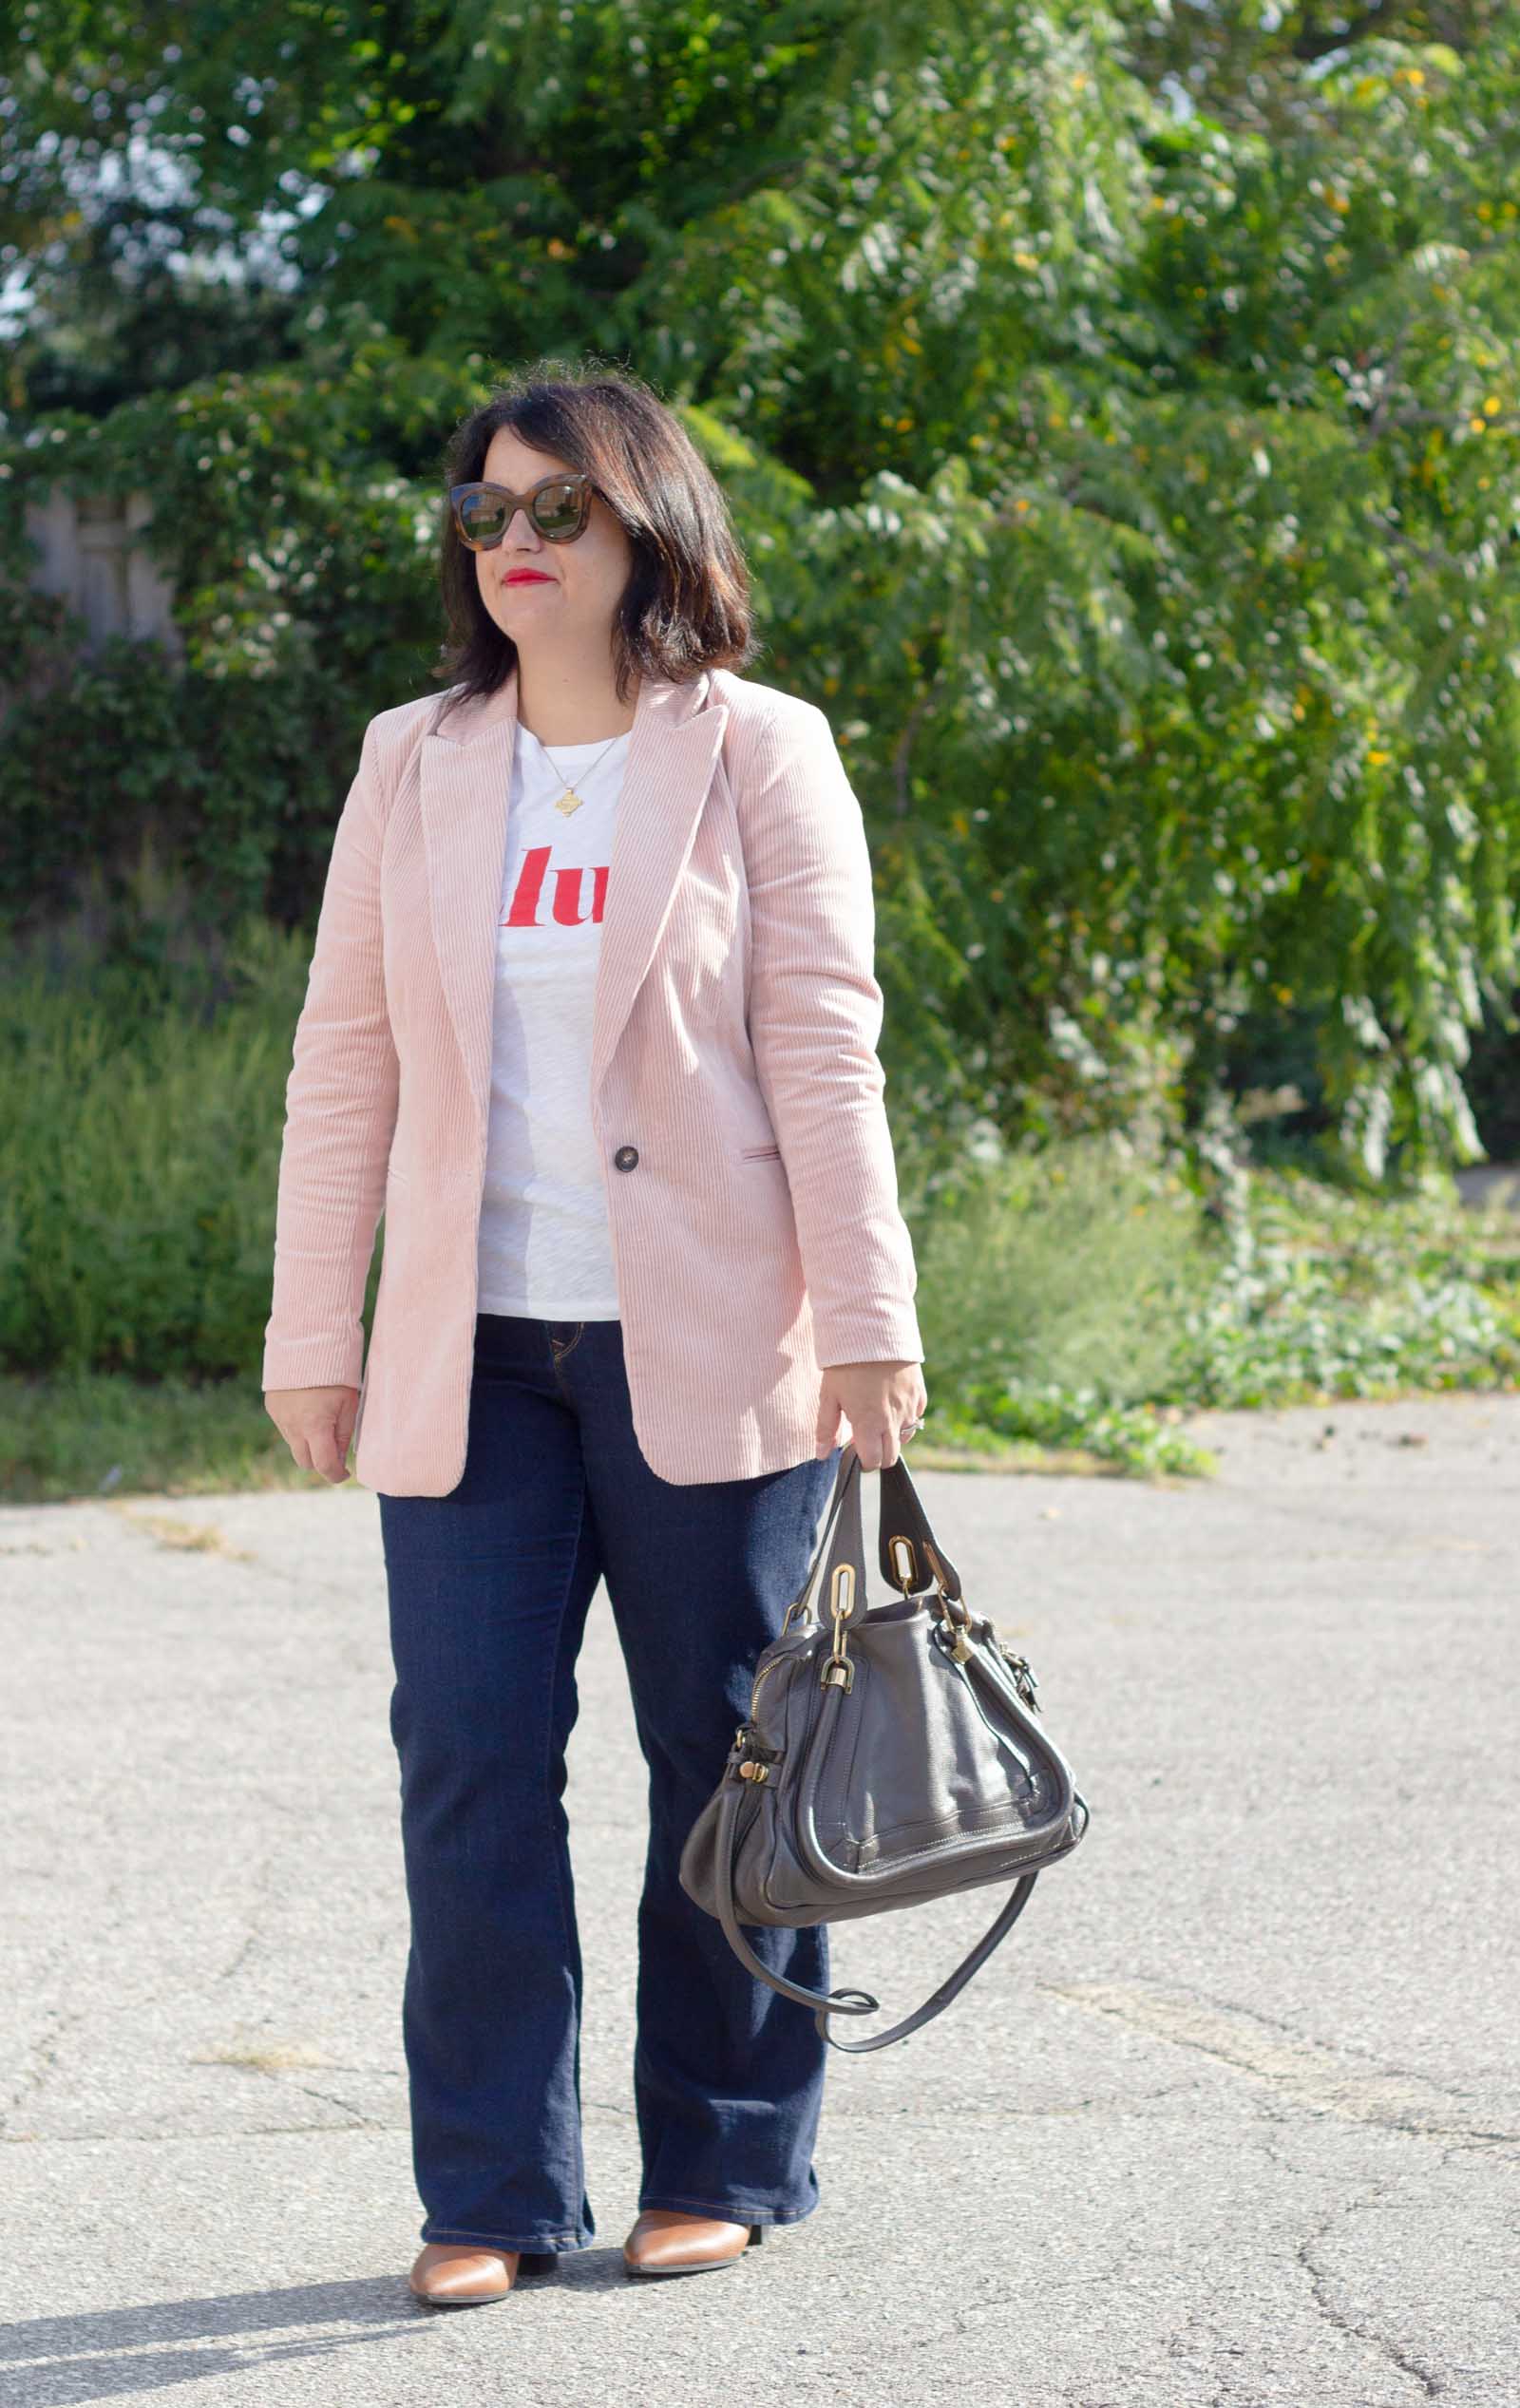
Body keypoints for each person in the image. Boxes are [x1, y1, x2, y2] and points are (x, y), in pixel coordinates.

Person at [261, 362, 927, 2308]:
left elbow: (822, 1045)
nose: (519, 543)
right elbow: (344, 1060)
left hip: (709, 1338)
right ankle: (488, 2184)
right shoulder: (413, 756)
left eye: (560, 508)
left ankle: (721, 2152)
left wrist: (870, 1317)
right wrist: (320, 1324)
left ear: (648, 521)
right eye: (487, 513)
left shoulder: (756, 749)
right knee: (467, 1757)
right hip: (470, 1350)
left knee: (725, 1761)